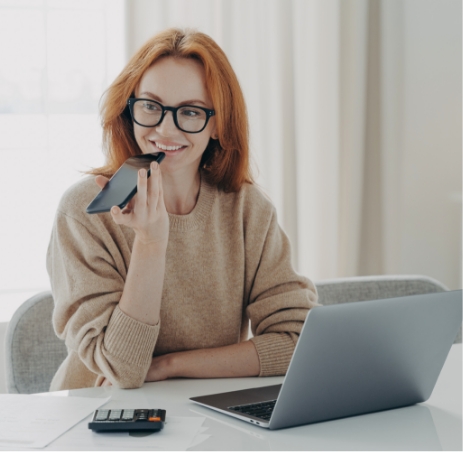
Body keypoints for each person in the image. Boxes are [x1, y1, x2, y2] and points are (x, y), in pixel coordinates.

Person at [47, 28, 318, 391]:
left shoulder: (246, 209)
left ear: (219, 125)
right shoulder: (83, 213)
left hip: (208, 415)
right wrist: (150, 242)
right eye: (150, 106)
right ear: (129, 110)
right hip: (98, 421)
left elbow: (299, 341)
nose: (165, 128)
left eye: (190, 112)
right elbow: (121, 369)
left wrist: (169, 366)